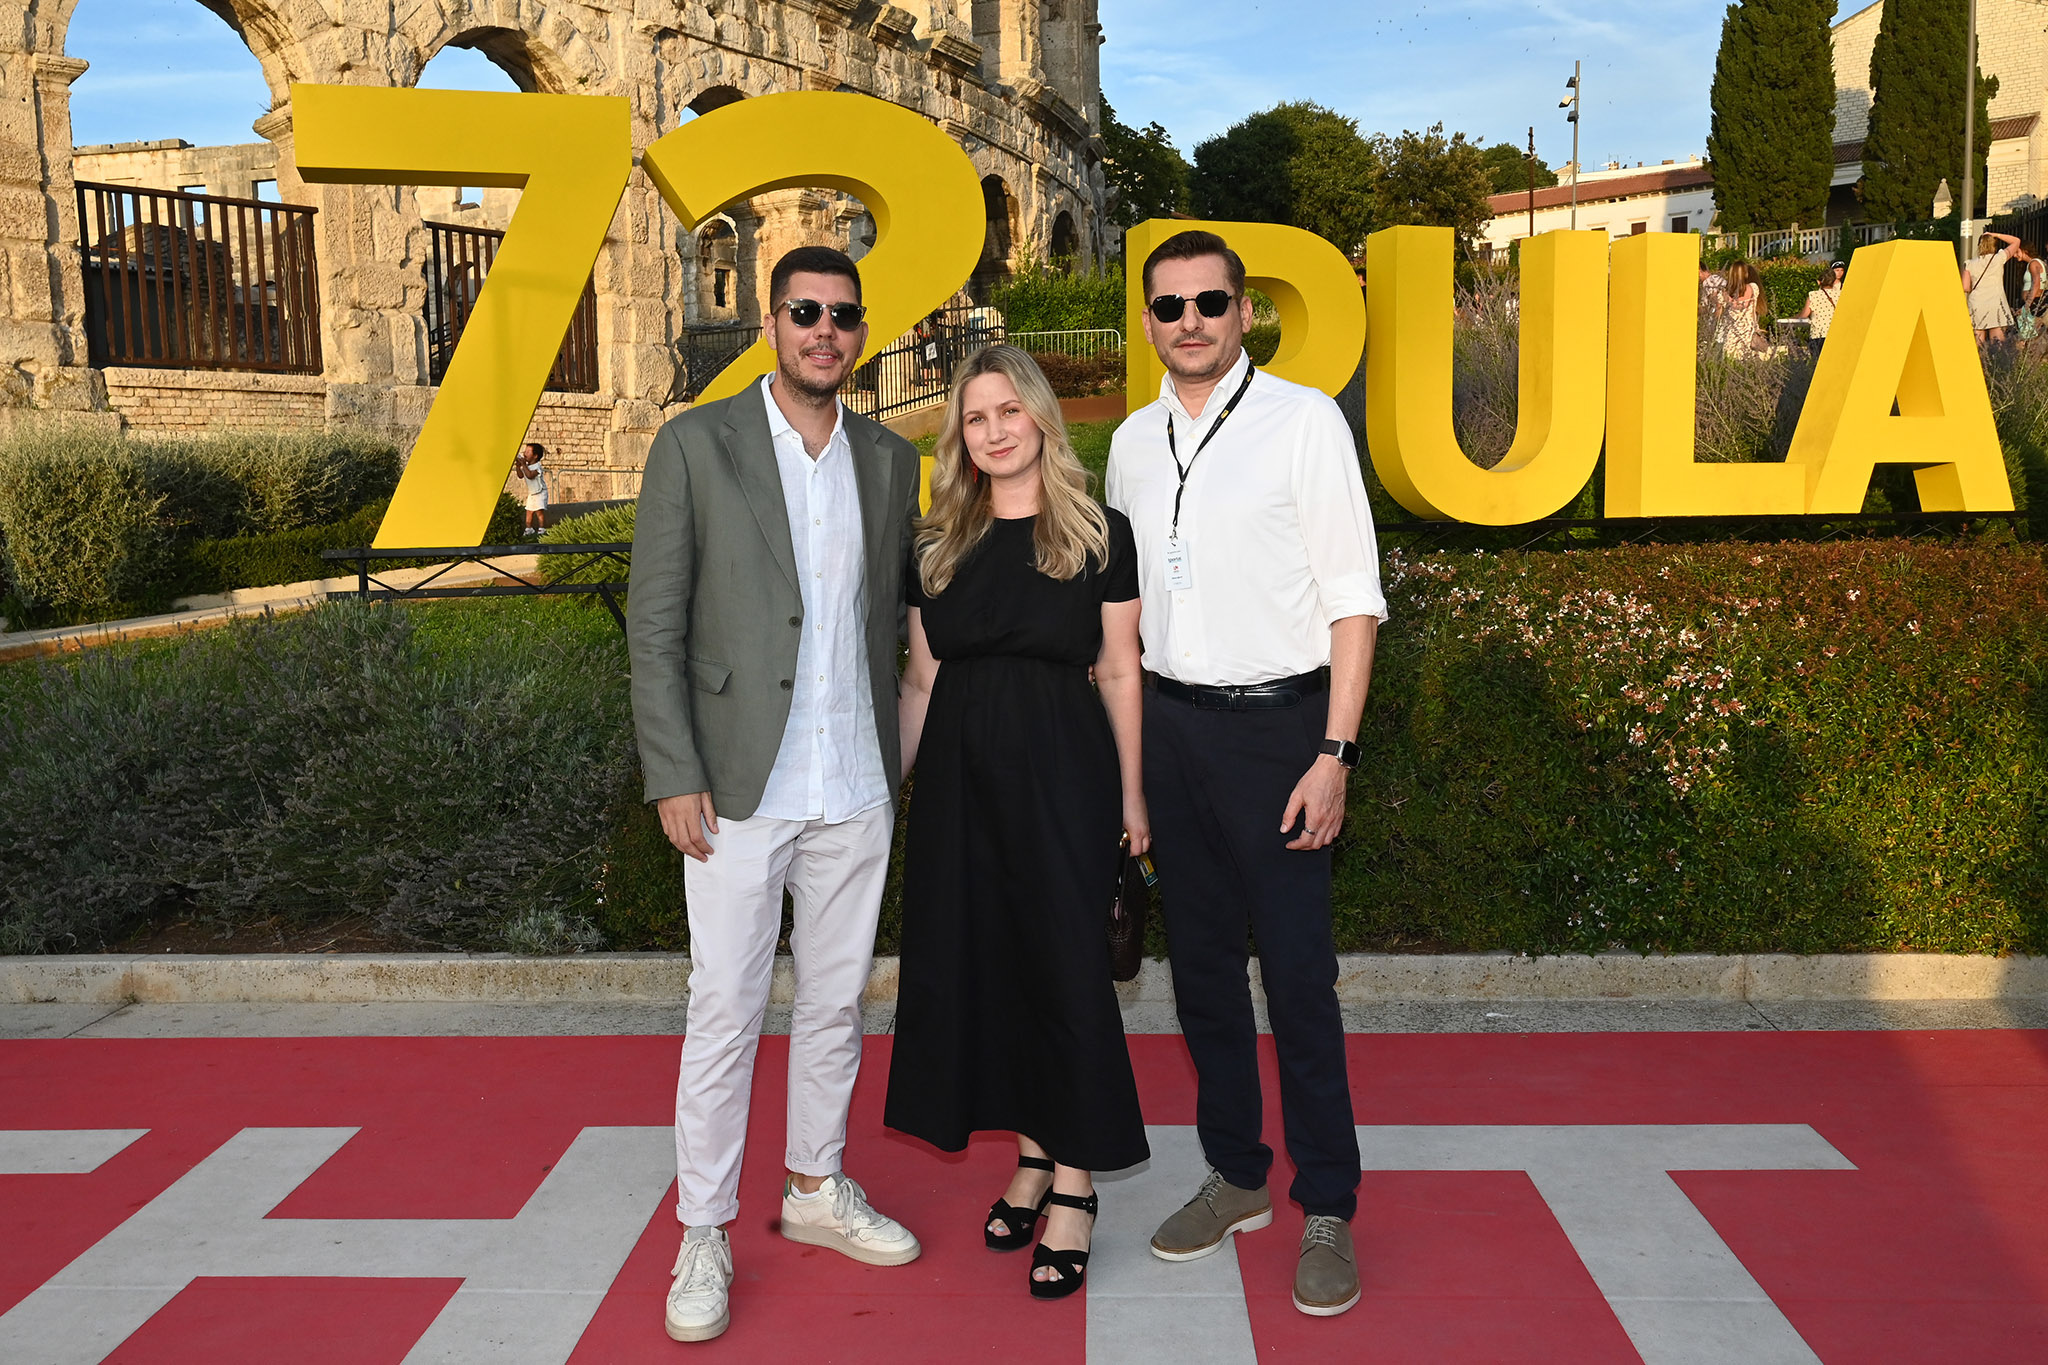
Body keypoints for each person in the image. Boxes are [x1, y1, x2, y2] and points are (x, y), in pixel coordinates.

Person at [627, 245, 925, 1345]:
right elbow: (654, 623)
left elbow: (892, 619)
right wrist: (673, 770)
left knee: (837, 1003)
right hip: (735, 788)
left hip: (853, 782)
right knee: (725, 1008)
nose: (823, 331)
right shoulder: (695, 443)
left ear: (861, 331)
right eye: (804, 311)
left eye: (842, 315)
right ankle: (702, 1230)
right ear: (770, 323)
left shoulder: (890, 459)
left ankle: (813, 1186)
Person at [1107, 229, 1387, 1319]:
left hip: (1281, 734)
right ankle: (1235, 1174)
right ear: (1147, 320)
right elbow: (1121, 621)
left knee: (1299, 980)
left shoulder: (1303, 421)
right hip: (1171, 731)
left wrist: (1334, 753)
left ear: (1244, 312)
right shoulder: (1131, 442)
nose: (1190, 322)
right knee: (1203, 977)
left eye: (1210, 302)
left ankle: (1327, 1205)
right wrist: (1130, 775)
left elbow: (1352, 600)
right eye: (1169, 305)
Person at [885, 343, 1150, 1300]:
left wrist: (1131, 798)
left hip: (1064, 779)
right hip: (959, 788)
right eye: (975, 417)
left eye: (1009, 411)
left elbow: (1118, 669)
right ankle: (1036, 1155)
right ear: (959, 435)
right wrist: (886, 796)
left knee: (1064, 970)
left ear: (1040, 415)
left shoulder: (1099, 533)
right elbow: (922, 681)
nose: (994, 431)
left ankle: (1075, 1184)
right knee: (991, 968)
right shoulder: (934, 545)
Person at [1962, 231, 2020, 344]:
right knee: (1998, 344)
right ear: (1993, 245)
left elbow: (1965, 287)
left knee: (1978, 343)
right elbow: (2016, 241)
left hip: (1977, 304)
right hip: (1996, 303)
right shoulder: (1999, 258)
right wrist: (1996, 235)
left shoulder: (1969, 264)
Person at [1796, 261, 1846, 358]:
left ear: (1819, 282)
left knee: (1818, 361)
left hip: (1818, 335)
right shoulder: (1841, 294)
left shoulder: (1814, 295)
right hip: (1837, 334)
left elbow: (1804, 315)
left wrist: (1793, 318)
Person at [1721, 261, 1765, 356]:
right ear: (1745, 274)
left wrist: (1727, 299)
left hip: (1732, 334)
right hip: (1749, 332)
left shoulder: (1725, 294)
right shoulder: (1753, 288)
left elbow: (1735, 307)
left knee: (1731, 358)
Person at [516, 442, 548, 537]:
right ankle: (529, 528)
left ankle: (542, 528)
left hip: (540, 492)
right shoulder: (526, 466)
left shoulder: (537, 467)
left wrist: (524, 465)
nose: (525, 453)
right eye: (525, 451)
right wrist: (518, 466)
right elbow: (520, 476)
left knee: (539, 511)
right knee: (529, 510)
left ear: (535, 456)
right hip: (532, 493)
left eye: (528, 452)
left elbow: (530, 475)